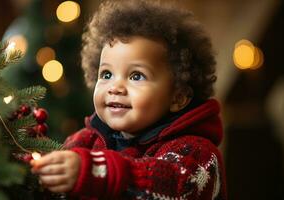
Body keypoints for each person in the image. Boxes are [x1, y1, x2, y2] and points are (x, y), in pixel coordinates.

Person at [31, 0, 227, 199]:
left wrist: (95, 172)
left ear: (178, 97)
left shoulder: (196, 153)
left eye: (136, 76)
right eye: (106, 74)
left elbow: (174, 184)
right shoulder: (86, 141)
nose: (115, 87)